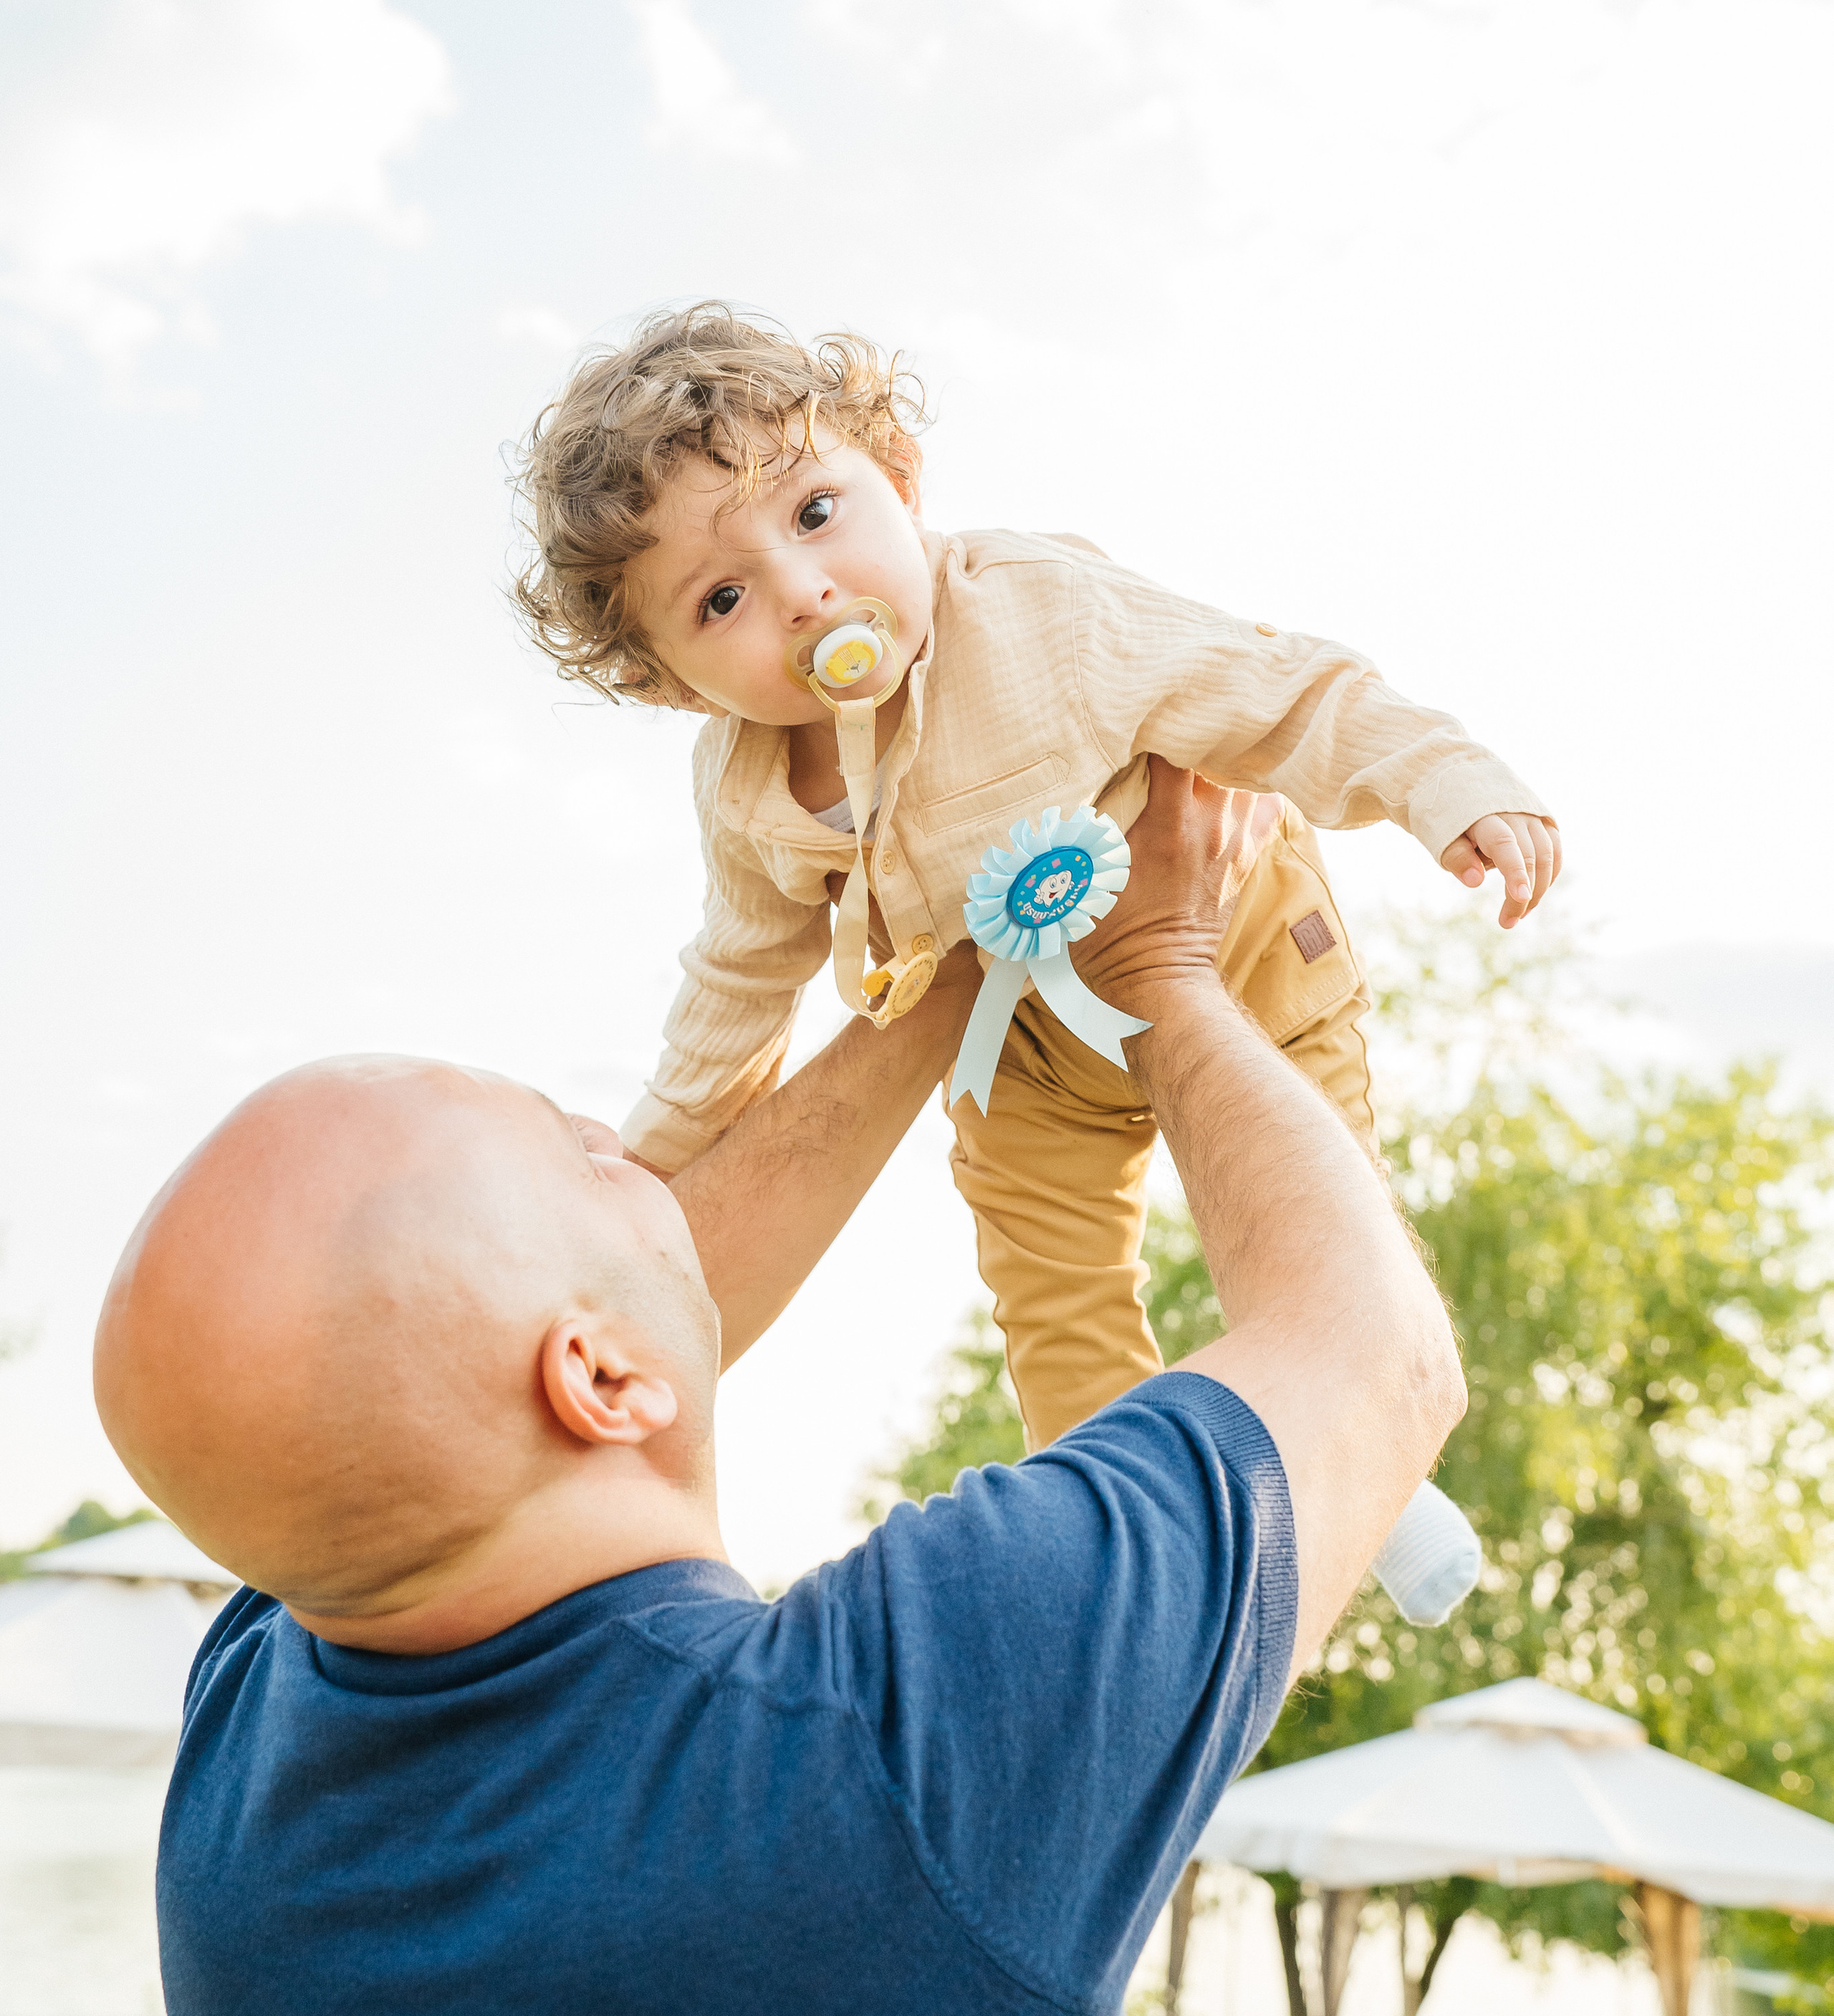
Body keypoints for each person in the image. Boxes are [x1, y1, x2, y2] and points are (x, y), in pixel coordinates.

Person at [95, 767, 1464, 2016]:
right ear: (595, 1378)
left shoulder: (249, 1776)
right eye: (579, 1146)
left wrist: (956, 959)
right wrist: (1163, 966)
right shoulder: (885, 1752)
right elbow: (1376, 1354)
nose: (625, 1136)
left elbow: (540, 1370)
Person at [512, 303, 1552, 1620]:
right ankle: (1135, 1560)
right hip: (1017, 1036)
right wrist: (650, 1166)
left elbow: (1274, 690)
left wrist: (1445, 782)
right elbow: (736, 991)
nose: (801, 591)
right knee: (1051, 1297)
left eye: (818, 512)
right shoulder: (748, 786)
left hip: (1235, 954)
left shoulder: (1044, 614)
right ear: (673, 681)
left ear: (899, 477)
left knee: (1302, 1229)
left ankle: (1372, 1467)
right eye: (722, 599)